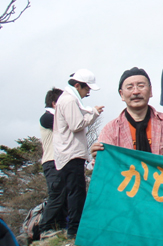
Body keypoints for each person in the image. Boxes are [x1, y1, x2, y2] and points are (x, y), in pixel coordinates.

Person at [91, 67, 163, 159]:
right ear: (122, 94)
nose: (136, 92)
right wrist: (98, 156)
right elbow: (103, 169)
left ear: (150, 91)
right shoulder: (110, 130)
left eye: (141, 86)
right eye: (129, 87)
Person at [52, 69, 104, 240]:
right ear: (77, 85)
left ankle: (73, 227)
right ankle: (74, 229)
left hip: (68, 153)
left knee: (72, 191)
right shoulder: (68, 100)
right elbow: (76, 125)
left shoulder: (67, 99)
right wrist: (94, 114)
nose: (88, 92)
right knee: (77, 192)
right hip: (71, 153)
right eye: (86, 88)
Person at [38, 87, 66, 238]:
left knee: (65, 195)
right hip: (52, 161)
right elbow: (65, 125)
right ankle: (45, 228)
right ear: (55, 103)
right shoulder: (47, 117)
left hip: (61, 161)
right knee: (56, 195)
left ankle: (61, 226)